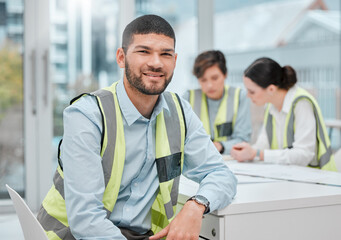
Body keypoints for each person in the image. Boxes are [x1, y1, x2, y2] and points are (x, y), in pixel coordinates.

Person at [37, 15, 237, 240]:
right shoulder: (87, 115)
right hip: (71, 235)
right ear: (121, 58)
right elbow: (86, 219)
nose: (156, 62)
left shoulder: (180, 112)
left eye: (165, 54)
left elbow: (221, 175)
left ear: (175, 60)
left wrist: (196, 205)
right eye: (144, 51)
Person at [230, 57, 337, 171]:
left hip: (319, 180)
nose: (248, 96)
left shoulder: (301, 103)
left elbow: (304, 155)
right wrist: (247, 152)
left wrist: (257, 153)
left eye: (252, 91)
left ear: (271, 89)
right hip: (290, 177)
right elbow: (263, 145)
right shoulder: (271, 106)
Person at [183, 50, 251, 154]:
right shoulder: (188, 98)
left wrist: (221, 146)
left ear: (225, 74)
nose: (209, 85)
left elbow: (243, 139)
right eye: (203, 80)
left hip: (230, 160)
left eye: (214, 78)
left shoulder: (240, 97)